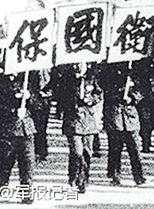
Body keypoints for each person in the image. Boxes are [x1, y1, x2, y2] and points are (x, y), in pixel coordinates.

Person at [54, 62, 103, 193]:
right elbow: (59, 96)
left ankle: (83, 181)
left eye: (82, 64)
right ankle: (73, 179)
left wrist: (91, 99)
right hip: (73, 119)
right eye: (76, 64)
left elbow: (99, 94)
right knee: (77, 152)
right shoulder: (67, 78)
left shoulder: (91, 78)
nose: (79, 67)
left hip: (88, 121)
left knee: (87, 152)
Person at [101, 62, 146, 186]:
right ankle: (115, 176)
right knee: (115, 149)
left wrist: (131, 98)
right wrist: (119, 91)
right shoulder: (109, 72)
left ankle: (138, 176)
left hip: (130, 118)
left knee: (135, 150)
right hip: (115, 116)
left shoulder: (134, 74)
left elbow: (141, 91)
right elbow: (104, 89)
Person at [0, 71, 36, 204]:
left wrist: (29, 97)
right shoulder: (0, 83)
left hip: (26, 129)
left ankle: (26, 193)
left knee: (27, 164)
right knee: (6, 162)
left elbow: (39, 105)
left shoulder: (26, 82)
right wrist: (12, 111)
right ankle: (3, 186)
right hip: (8, 130)